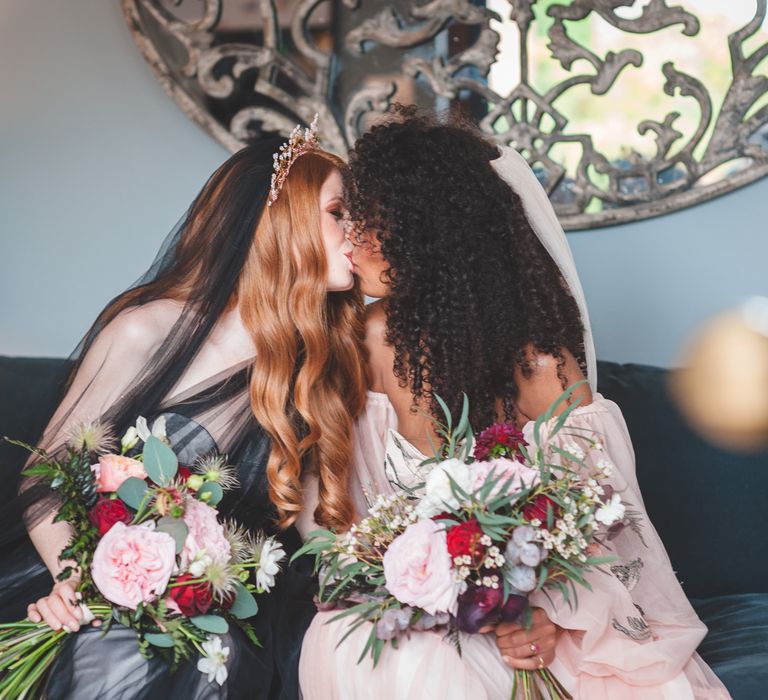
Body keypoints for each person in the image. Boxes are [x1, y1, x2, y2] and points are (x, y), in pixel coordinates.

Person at [298, 107, 731, 699]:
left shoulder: (540, 363)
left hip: (541, 616)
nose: (355, 237)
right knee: (367, 648)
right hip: (402, 609)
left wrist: (543, 614)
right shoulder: (359, 341)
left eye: (377, 220)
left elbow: (605, 529)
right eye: (352, 216)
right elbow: (352, 526)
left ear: (434, 234)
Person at [1, 123, 366, 698]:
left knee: (214, 664)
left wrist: (373, 574)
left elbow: (316, 521)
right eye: (339, 212)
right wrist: (78, 580)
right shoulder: (148, 330)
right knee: (112, 648)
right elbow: (48, 476)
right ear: (285, 220)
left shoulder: (316, 366)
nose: (357, 231)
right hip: (108, 579)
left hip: (228, 607)